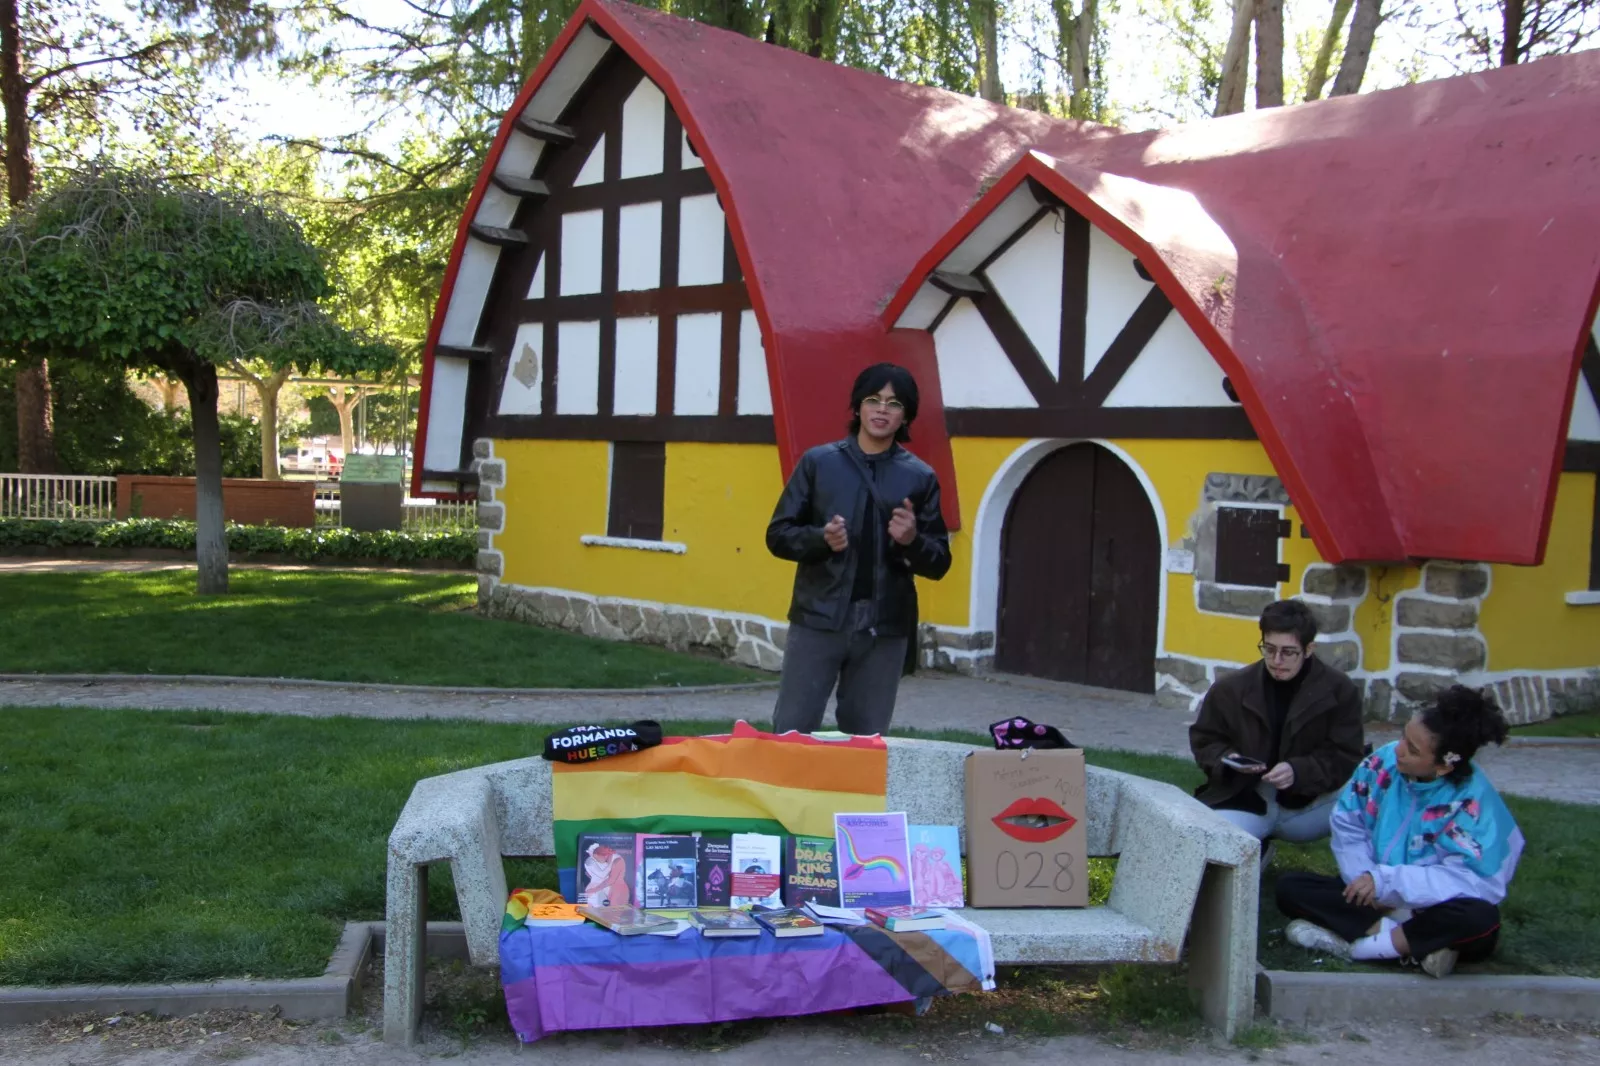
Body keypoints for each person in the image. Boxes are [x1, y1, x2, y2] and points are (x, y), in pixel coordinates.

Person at [1277, 685, 1522, 978]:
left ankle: (1359, 948)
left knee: (1481, 920)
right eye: (1405, 736)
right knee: (1289, 887)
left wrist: (1386, 882)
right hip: (1373, 896)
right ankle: (1409, 946)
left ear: (1444, 766)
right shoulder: (1382, 763)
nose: (1399, 750)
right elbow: (1348, 821)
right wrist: (1362, 878)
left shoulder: (1472, 804)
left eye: (1413, 749)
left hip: (1429, 906)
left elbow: (1475, 882)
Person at [767, 363, 951, 735]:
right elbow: (779, 534)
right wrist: (821, 539)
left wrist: (912, 541)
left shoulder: (920, 477)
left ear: (905, 417)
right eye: (873, 400)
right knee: (791, 730)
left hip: (884, 628)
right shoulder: (818, 463)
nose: (882, 409)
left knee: (866, 738)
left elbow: (939, 563)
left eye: (894, 403)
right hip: (819, 617)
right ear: (857, 408)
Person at [1189, 599, 1364, 848]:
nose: (1276, 660)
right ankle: (1255, 847)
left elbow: (1346, 756)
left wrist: (1298, 770)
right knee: (1203, 842)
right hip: (1247, 798)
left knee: (1370, 799)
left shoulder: (1340, 691)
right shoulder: (1230, 690)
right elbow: (1205, 740)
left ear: (1309, 649)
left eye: (1288, 652)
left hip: (1312, 803)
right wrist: (1230, 760)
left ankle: (1367, 880)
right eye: (1269, 649)